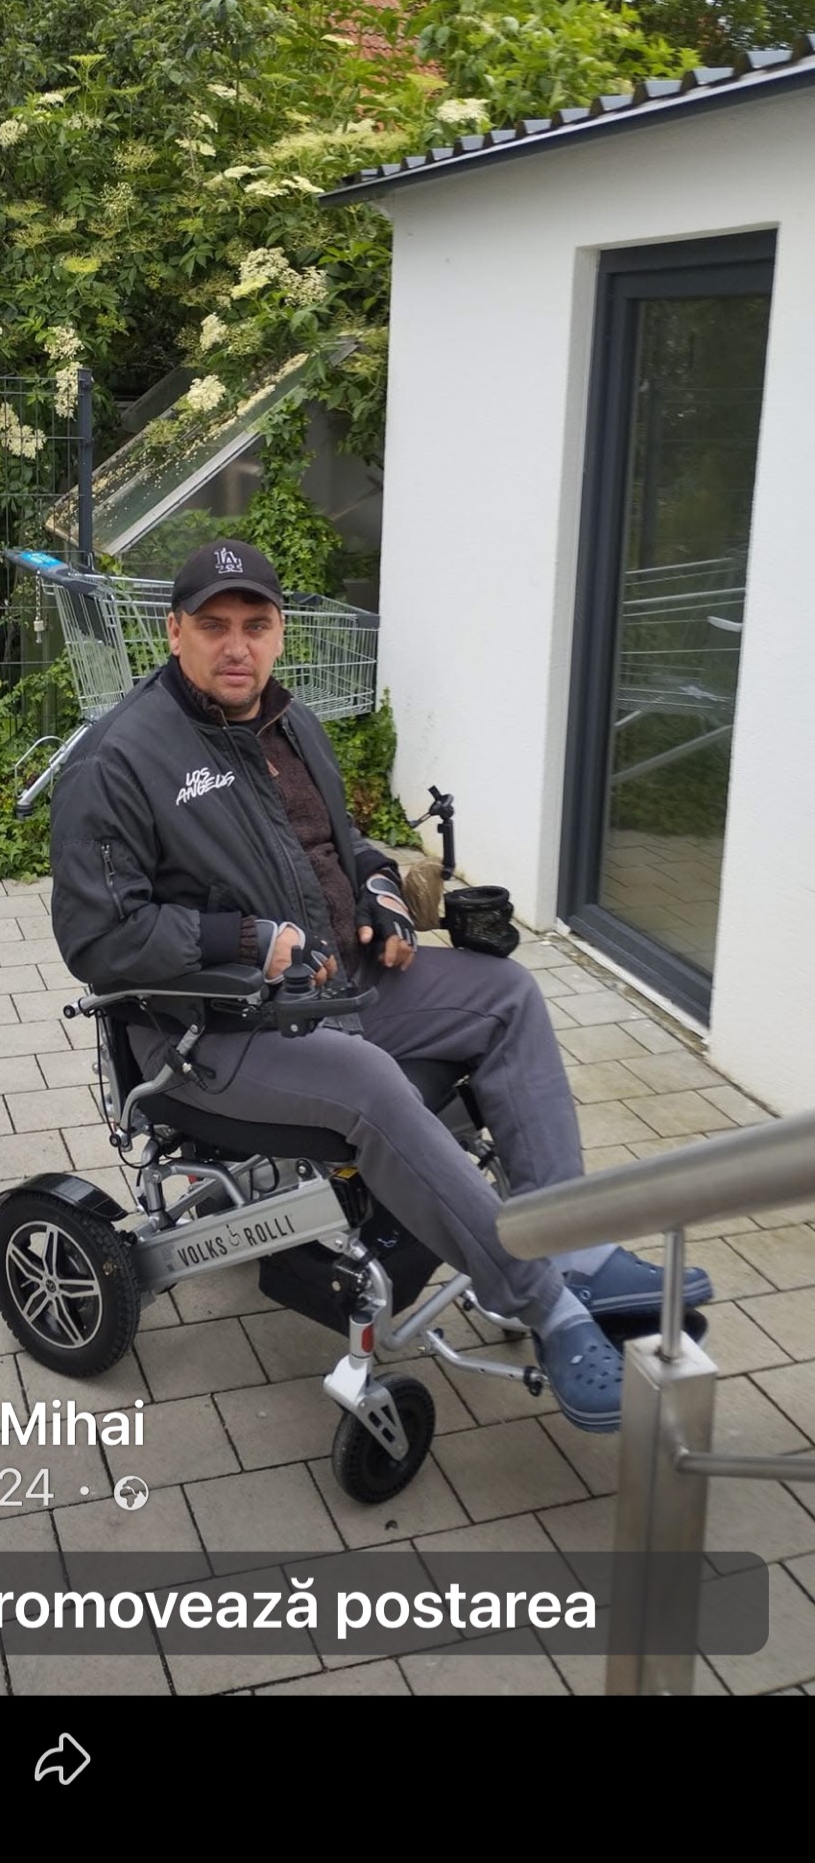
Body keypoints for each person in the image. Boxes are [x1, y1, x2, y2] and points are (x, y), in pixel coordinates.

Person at [50, 540, 711, 1433]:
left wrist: (381, 894)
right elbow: (98, 935)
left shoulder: (292, 725)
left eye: (255, 624)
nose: (236, 645)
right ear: (174, 633)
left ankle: (574, 1245)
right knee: (370, 1083)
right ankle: (543, 1302)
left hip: (337, 984)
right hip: (213, 1029)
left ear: (279, 633)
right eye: (213, 625)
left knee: (506, 994)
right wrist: (242, 939)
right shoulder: (120, 759)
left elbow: (342, 845)